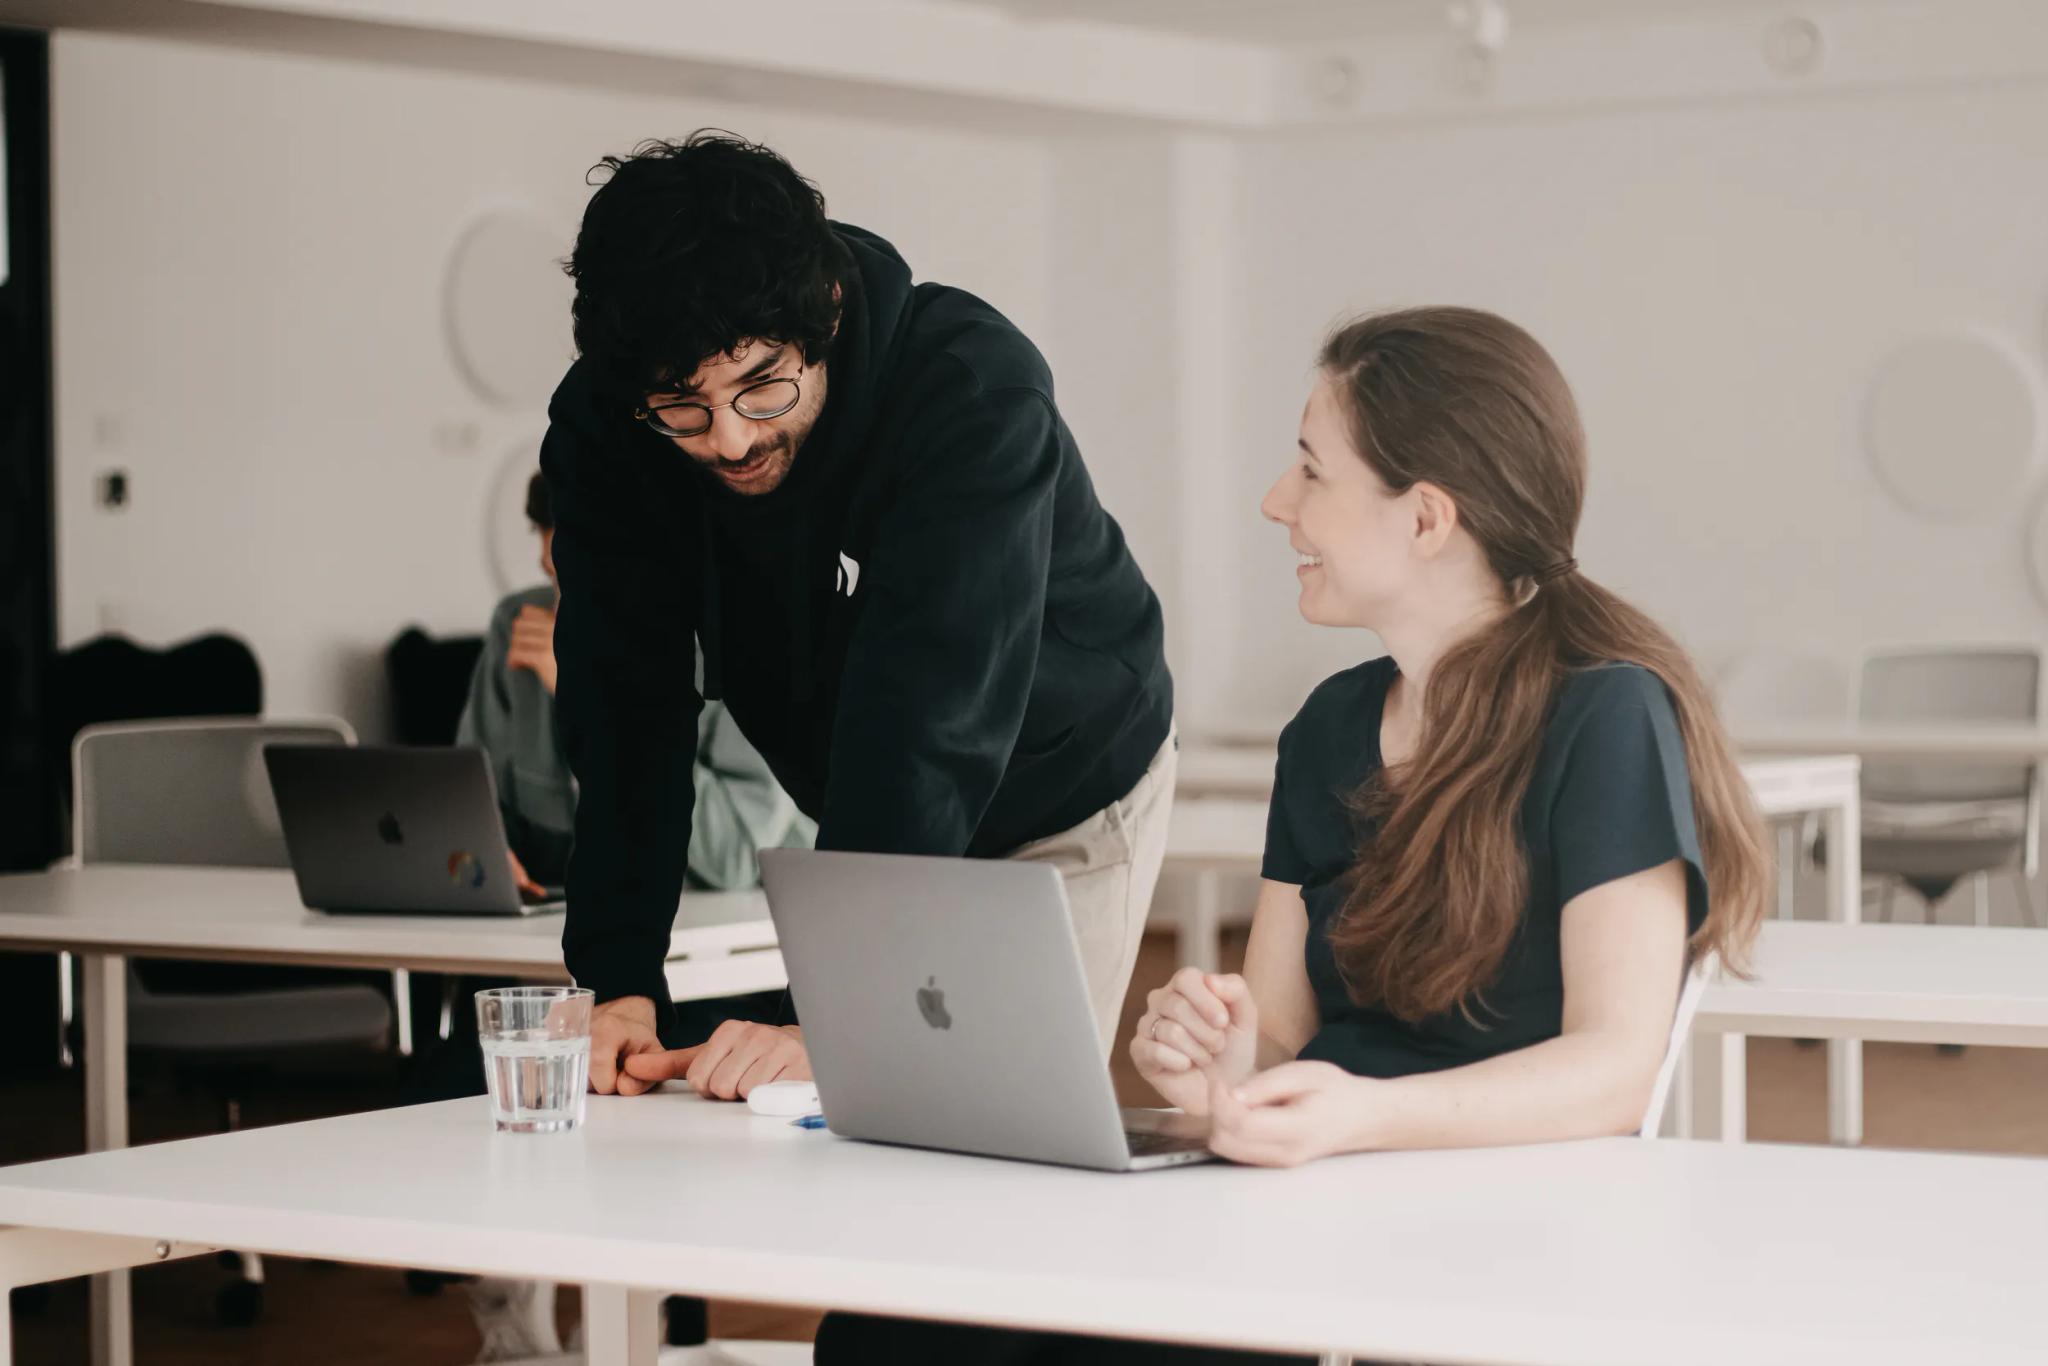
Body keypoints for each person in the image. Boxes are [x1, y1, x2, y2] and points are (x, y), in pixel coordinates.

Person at [815, 307, 1768, 1361]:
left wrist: (1354, 1114)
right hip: (1302, 1197)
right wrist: (1217, 1057)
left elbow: (1613, 1069)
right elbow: (1272, 1031)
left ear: (1424, 519)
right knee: (890, 1329)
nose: (1277, 503)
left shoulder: (1606, 715)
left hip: (1479, 1229)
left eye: (1311, 472)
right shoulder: (1325, 728)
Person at [542, 131, 1177, 1102]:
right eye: (682, 407)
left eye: (763, 385)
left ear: (827, 314)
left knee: (1011, 1128)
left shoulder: (969, 390)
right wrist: (617, 979)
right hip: (861, 796)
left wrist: (836, 1005)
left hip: (1063, 788)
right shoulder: (606, 427)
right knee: (840, 1120)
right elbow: (626, 704)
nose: (729, 439)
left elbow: (929, 718)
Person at [445, 470, 810, 1361]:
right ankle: (510, 1308)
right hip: (555, 925)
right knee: (491, 1035)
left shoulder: (725, 636)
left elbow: (727, 852)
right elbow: (470, 803)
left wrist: (591, 694)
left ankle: (635, 1318)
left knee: (622, 1055)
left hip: (720, 940)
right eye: (556, 567)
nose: (568, 594)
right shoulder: (514, 626)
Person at [457, 469, 811, 895]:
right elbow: (473, 811)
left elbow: (731, 860)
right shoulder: (517, 627)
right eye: (554, 576)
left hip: (732, 938)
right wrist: (488, 856)